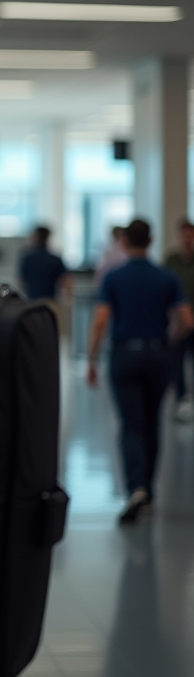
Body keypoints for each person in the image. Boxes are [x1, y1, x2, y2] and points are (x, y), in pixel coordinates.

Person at [87, 219, 193, 524]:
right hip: (158, 354)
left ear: (123, 242)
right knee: (152, 423)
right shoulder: (165, 276)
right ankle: (149, 492)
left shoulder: (114, 277)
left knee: (130, 424)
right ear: (152, 240)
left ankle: (136, 487)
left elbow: (99, 321)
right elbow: (186, 319)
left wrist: (92, 360)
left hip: (124, 355)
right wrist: (168, 340)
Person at [163, 219, 194, 419]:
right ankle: (182, 400)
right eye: (183, 234)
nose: (186, 239)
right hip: (178, 322)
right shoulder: (171, 261)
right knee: (176, 363)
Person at [19, 226, 69, 301]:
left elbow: (21, 281)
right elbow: (65, 281)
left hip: (32, 301)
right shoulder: (55, 259)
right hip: (49, 302)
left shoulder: (27, 259)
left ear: (36, 237)